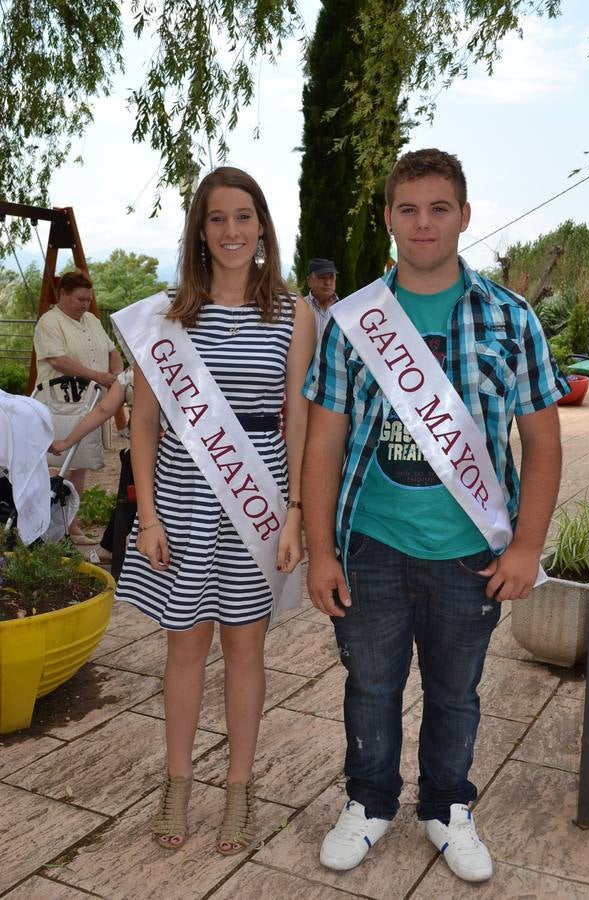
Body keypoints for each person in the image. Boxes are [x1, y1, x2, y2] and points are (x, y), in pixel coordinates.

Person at [301, 148, 568, 883]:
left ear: (464, 216)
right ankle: (370, 801)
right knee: (370, 686)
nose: (423, 223)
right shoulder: (353, 321)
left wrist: (527, 548)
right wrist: (321, 551)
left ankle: (447, 807)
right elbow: (323, 441)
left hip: (469, 551)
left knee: (457, 692)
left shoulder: (511, 319)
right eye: (408, 209)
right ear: (389, 217)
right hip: (373, 545)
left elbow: (543, 445)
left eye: (439, 208)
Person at [112, 166, 315, 853]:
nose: (231, 231)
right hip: (182, 496)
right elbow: (143, 421)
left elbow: (300, 419)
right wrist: (149, 515)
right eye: (217, 218)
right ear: (200, 230)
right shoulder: (164, 315)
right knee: (185, 647)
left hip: (255, 500)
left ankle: (239, 790)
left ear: (263, 227)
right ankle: (176, 786)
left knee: (246, 648)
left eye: (243, 216)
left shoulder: (294, 312)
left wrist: (294, 513)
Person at [34, 270, 123, 543]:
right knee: (55, 465)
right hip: (57, 402)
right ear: (63, 295)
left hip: (89, 402)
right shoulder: (49, 322)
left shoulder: (92, 320)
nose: (85, 304)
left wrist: (117, 378)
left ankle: (70, 526)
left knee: (80, 464)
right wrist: (96, 375)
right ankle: (45, 528)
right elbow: (57, 359)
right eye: (80, 299)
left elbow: (112, 351)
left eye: (88, 299)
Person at [48, 368, 135, 563]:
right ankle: (110, 547)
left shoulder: (134, 372)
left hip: (141, 454)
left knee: (131, 500)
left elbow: (103, 410)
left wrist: (66, 442)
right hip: (187, 455)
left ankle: (110, 547)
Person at [302, 257, 339, 337]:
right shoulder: (299, 308)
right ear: (309, 281)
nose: (328, 282)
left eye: (331, 277)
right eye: (322, 277)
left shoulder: (343, 308)